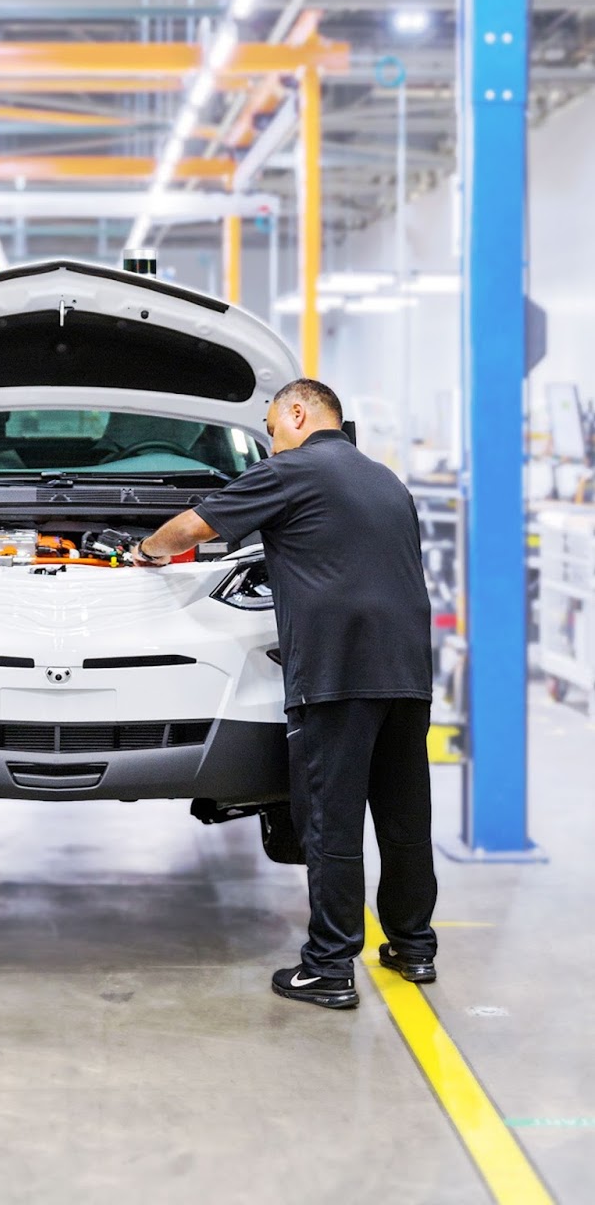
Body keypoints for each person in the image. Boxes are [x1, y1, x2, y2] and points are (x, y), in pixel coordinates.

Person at [134, 378, 437, 1011]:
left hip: (336, 675)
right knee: (405, 819)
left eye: (272, 430)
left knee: (330, 824)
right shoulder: (386, 480)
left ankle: (328, 967)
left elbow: (192, 527)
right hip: (406, 673)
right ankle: (414, 947)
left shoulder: (293, 470)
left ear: (298, 413)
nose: (272, 444)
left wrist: (146, 552)